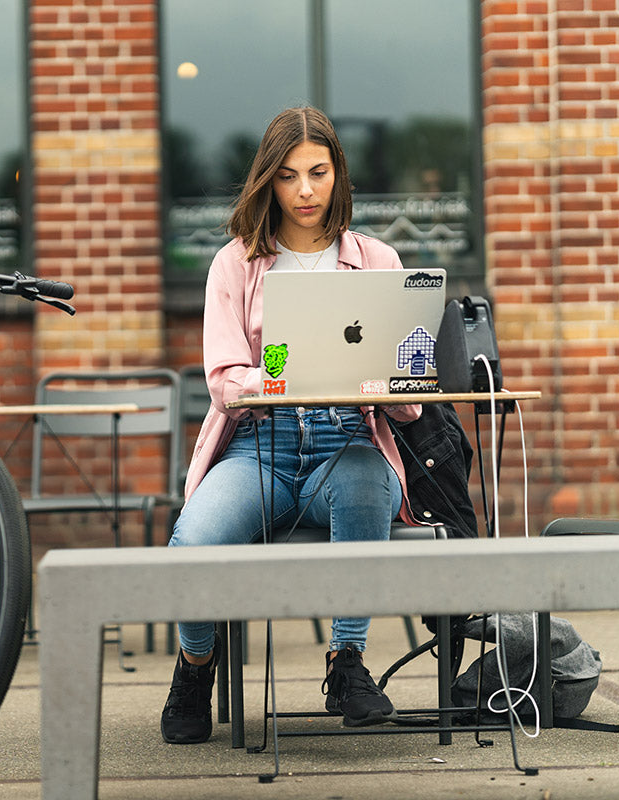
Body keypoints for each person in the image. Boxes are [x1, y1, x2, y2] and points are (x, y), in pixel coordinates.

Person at [160, 107, 425, 745]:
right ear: (267, 184)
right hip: (261, 448)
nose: (305, 191)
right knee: (192, 546)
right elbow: (225, 380)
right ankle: (197, 664)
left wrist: (388, 380)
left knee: (366, 482)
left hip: (347, 440)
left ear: (339, 175)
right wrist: (281, 374)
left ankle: (347, 662)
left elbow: (412, 404)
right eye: (287, 177)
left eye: (318, 172)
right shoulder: (236, 264)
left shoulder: (379, 259)